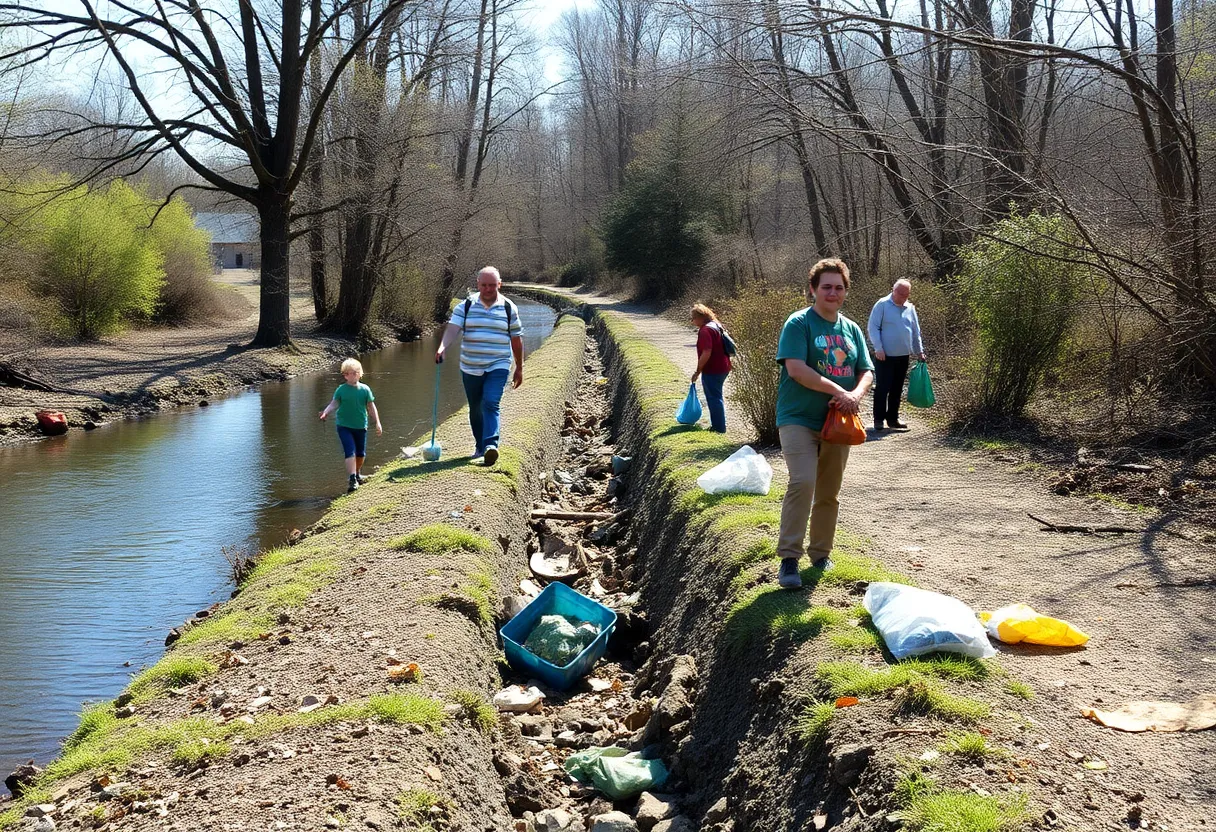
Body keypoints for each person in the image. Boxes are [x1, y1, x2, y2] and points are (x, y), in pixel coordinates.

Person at [774, 258, 874, 589]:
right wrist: (839, 390)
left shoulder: (852, 329)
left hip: (839, 422)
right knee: (803, 482)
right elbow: (796, 370)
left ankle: (821, 554)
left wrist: (855, 395)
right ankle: (789, 558)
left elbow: (866, 370)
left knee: (829, 491)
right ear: (813, 289)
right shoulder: (799, 324)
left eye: (839, 287)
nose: (833, 293)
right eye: (826, 287)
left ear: (845, 291)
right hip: (798, 418)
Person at [435, 266, 524, 465]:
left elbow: (516, 339)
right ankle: (479, 445)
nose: (488, 289)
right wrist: (442, 347)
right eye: (484, 285)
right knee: (475, 408)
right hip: (470, 366)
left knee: (490, 402)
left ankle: (491, 445)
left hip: (498, 364)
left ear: (499, 284)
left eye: (492, 285)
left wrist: (519, 367)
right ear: (478, 284)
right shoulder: (465, 306)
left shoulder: (509, 308)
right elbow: (453, 329)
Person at [866, 278, 925, 431]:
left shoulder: (910, 308)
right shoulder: (882, 305)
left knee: (897, 388)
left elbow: (915, 331)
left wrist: (919, 351)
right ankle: (878, 419)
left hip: (903, 355)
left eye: (906, 294)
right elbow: (873, 328)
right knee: (882, 387)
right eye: (901, 293)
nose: (903, 297)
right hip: (884, 355)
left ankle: (893, 419)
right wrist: (878, 348)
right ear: (894, 290)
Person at [318, 358, 383, 492]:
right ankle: (352, 479)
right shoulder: (341, 389)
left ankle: (357, 473)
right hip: (344, 426)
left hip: (360, 426)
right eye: (349, 373)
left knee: (360, 454)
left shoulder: (365, 390)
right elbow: (334, 403)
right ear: (345, 375)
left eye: (355, 372)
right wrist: (326, 412)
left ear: (360, 373)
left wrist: (377, 422)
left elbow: (371, 407)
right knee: (350, 452)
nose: (352, 375)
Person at [690, 303, 731, 433]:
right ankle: (718, 425)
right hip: (724, 366)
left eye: (693, 318)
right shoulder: (716, 325)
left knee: (714, 398)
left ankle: (718, 428)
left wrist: (698, 370)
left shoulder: (705, 330)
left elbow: (707, 352)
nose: (692, 321)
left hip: (713, 369)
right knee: (716, 396)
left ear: (701, 317)